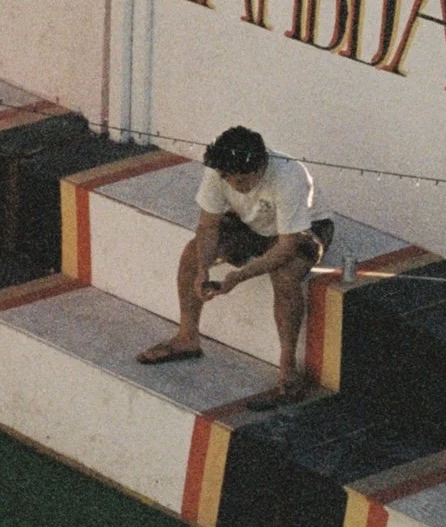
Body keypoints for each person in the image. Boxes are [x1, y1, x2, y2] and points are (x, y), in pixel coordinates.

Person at [137, 125, 333, 410]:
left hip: (304, 230)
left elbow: (287, 246)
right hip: (251, 224)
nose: (236, 186)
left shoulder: (290, 176)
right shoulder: (219, 171)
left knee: (286, 275)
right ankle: (187, 338)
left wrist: (238, 277)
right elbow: (208, 225)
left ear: (262, 166)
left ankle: (288, 371)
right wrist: (204, 267)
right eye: (230, 180)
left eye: (243, 181)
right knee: (193, 253)